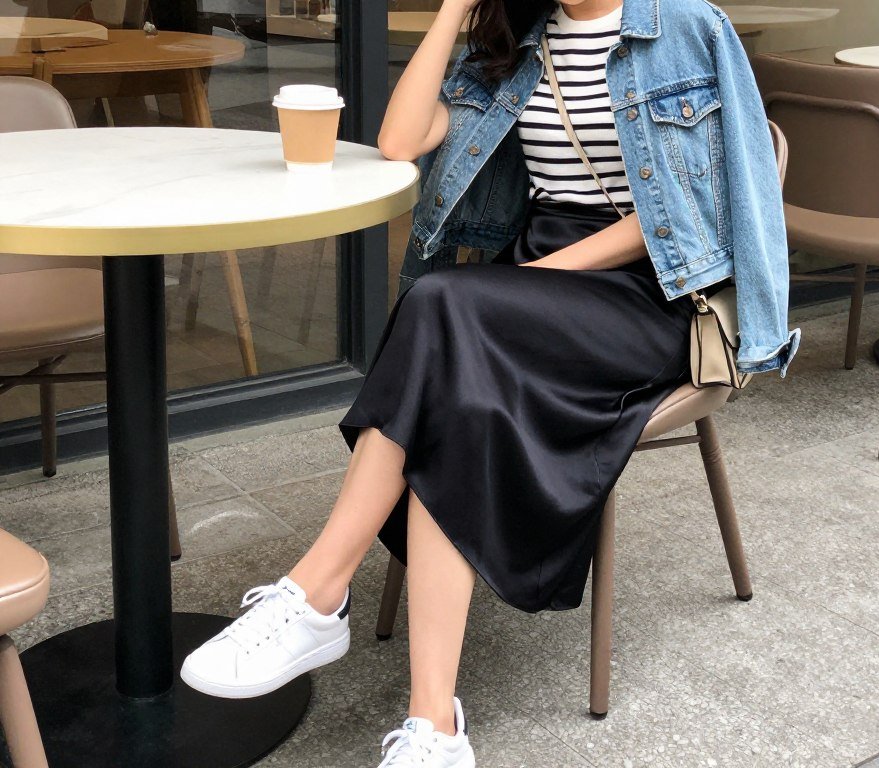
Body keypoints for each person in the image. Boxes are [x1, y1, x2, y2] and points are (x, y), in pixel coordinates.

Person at [180, 0, 798, 765]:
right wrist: (452, 10)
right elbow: (400, 140)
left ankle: (317, 592)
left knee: (443, 304)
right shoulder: (523, 40)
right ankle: (433, 723)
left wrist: (538, 278)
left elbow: (694, 208)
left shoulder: (687, 28)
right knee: (459, 397)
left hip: (655, 292)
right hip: (527, 299)